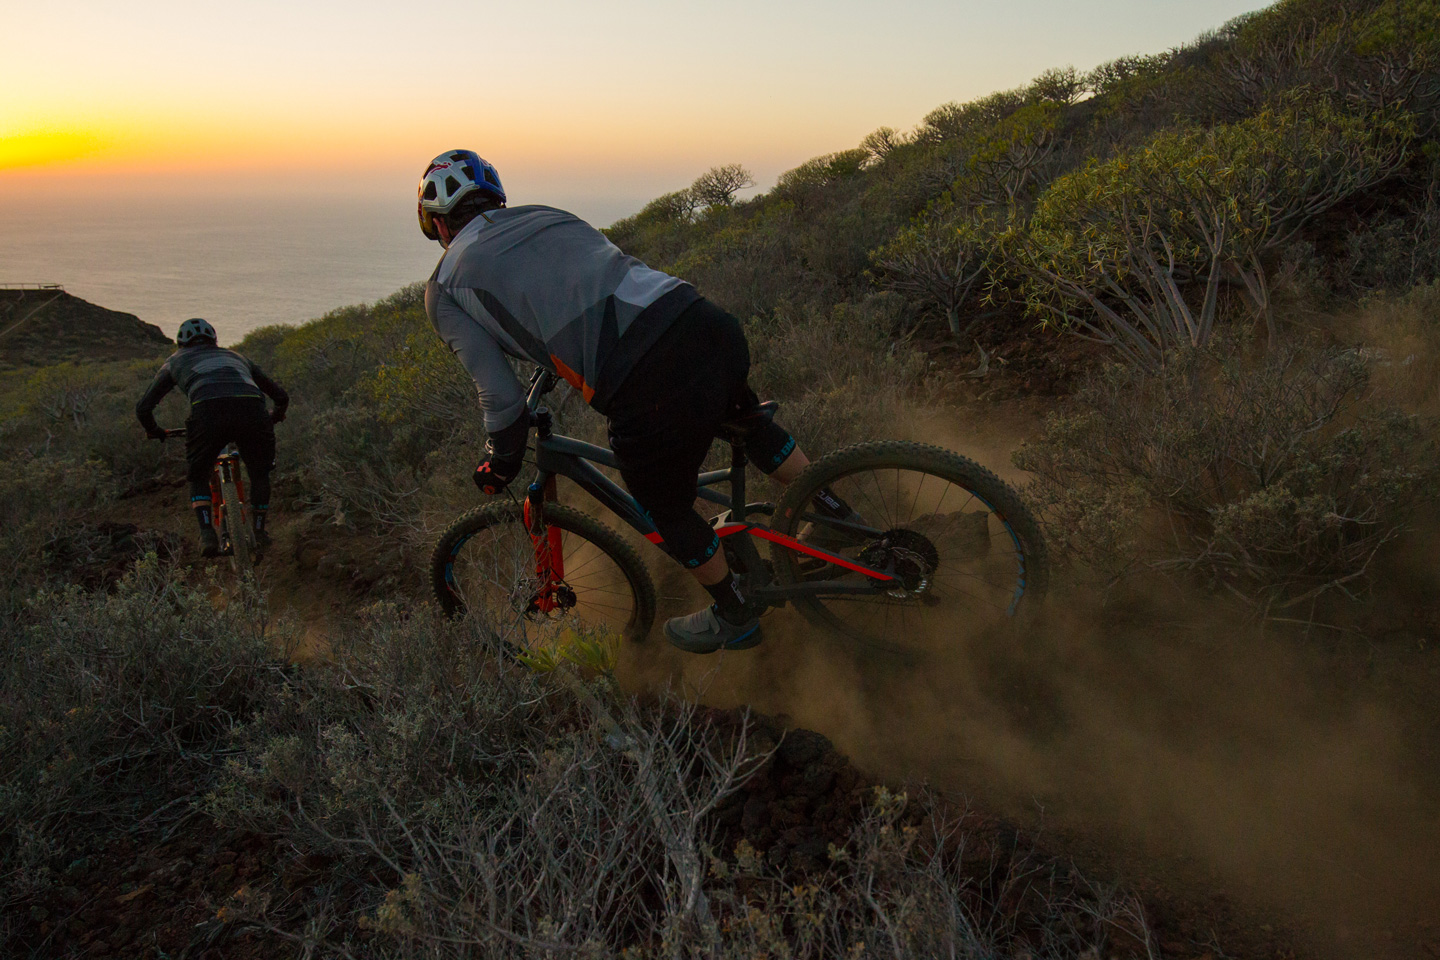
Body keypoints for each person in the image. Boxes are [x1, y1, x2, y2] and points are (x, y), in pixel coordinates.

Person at [417, 150, 859, 653]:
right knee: (745, 420)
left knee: (661, 503)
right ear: (495, 197)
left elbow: (500, 396)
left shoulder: (444, 287)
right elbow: (592, 286)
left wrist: (500, 463)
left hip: (643, 375)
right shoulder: (548, 215)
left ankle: (736, 610)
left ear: (436, 224)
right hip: (702, 323)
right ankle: (834, 514)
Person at [135, 318, 289, 557]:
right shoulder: (237, 357)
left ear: (181, 343)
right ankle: (259, 531)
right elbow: (281, 396)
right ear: (214, 339)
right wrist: (275, 416)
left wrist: (155, 431)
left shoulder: (175, 361)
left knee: (198, 474)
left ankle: (207, 533)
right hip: (252, 411)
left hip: (207, 413)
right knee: (260, 473)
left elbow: (144, 407)